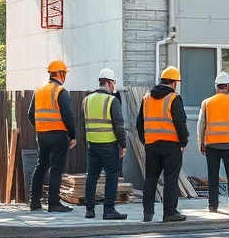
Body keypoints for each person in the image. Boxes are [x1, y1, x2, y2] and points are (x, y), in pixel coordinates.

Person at [136, 65, 189, 222]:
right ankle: (170, 213)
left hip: (152, 145)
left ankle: (147, 213)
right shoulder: (173, 98)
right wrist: (183, 141)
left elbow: (139, 123)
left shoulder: (146, 98)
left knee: (151, 178)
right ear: (174, 83)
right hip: (171, 145)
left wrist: (146, 140)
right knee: (171, 178)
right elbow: (180, 122)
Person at [28, 60, 78, 213]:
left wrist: (41, 127)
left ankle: (34, 202)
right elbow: (68, 115)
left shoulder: (39, 90)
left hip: (42, 135)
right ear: (61, 74)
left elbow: (30, 114)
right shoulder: (60, 91)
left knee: (41, 166)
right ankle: (54, 203)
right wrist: (73, 135)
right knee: (56, 169)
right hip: (58, 135)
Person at [197, 71, 229, 214]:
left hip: (212, 144)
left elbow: (201, 125)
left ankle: (213, 206)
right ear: (228, 86)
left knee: (213, 175)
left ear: (216, 86)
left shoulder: (206, 103)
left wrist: (201, 142)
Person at [82, 68, 128, 220]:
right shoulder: (111, 101)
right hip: (109, 144)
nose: (114, 85)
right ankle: (109, 210)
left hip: (92, 144)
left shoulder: (86, 100)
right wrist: (123, 144)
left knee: (92, 176)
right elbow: (118, 125)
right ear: (109, 82)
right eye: (113, 82)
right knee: (111, 176)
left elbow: (83, 124)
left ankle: (89, 209)